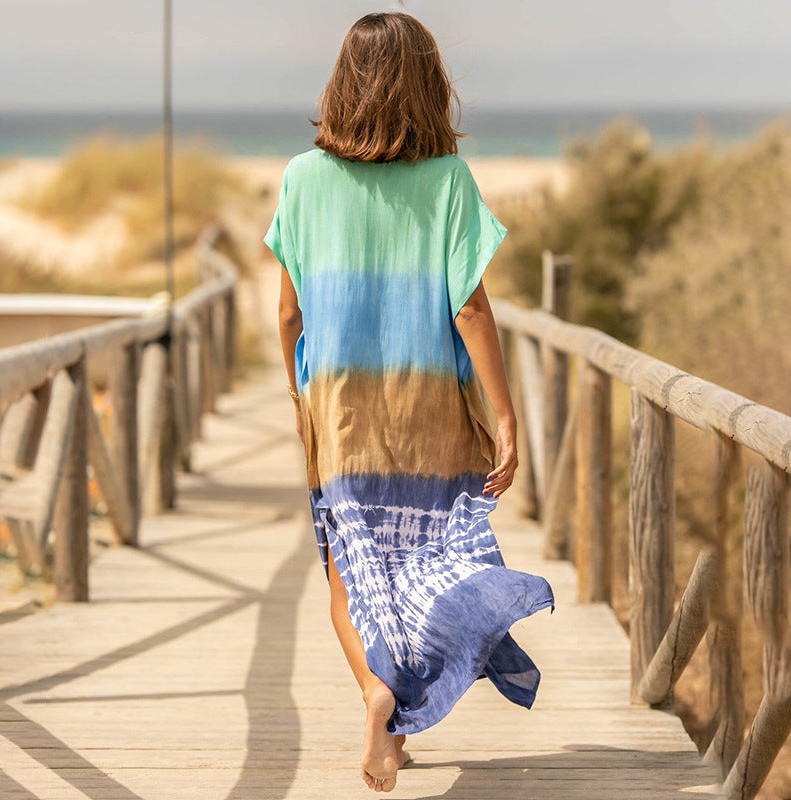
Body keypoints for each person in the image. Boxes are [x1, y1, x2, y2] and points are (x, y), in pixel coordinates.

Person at [264, 11, 555, 793]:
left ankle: (378, 694)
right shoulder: (449, 180)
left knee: (348, 575)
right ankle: (401, 699)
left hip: (342, 409)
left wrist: (300, 395)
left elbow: (289, 315)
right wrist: (506, 416)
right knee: (431, 559)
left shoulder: (301, 178)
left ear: (342, 85)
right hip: (430, 413)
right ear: (428, 84)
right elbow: (471, 309)